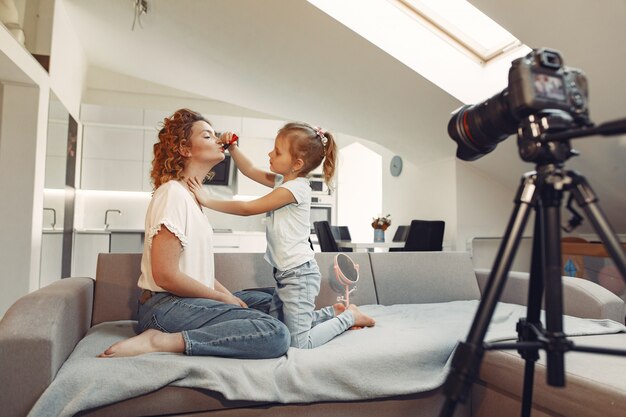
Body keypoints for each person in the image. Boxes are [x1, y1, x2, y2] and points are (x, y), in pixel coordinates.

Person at [98, 109, 290, 359]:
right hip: (165, 307)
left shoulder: (191, 197)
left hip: (187, 301)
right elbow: (165, 275)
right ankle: (160, 341)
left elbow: (199, 275)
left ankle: (337, 318)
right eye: (208, 136)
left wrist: (227, 297)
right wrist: (223, 300)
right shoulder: (172, 194)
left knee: (278, 300)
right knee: (275, 333)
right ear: (184, 149)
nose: (219, 140)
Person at [187, 122, 375, 349]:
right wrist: (233, 147)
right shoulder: (282, 182)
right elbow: (249, 169)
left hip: (299, 275)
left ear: (297, 164)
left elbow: (248, 209)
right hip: (286, 274)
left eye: (277, 152)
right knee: (279, 326)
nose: (270, 154)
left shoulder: (295, 189)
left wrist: (206, 199)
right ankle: (333, 312)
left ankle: (349, 317)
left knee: (300, 343)